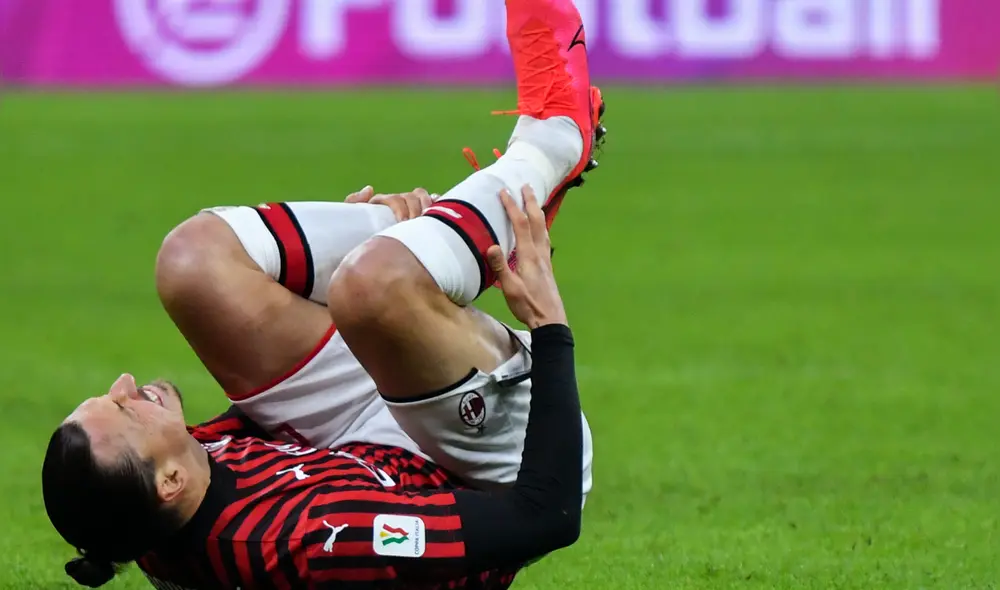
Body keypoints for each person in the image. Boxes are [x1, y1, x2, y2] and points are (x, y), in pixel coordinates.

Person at [42, 0, 606, 587]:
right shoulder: (323, 538)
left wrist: (339, 247)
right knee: (371, 286)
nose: (124, 386)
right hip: (487, 471)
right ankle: (554, 142)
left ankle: (433, 238)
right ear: (168, 484)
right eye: (121, 411)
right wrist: (549, 324)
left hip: (342, 444)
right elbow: (549, 515)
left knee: (191, 265)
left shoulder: (154, 508)